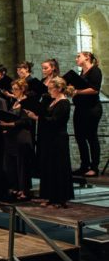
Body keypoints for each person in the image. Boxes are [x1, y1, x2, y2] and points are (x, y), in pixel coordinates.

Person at [26, 77, 74, 208]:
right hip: (49, 138)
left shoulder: (64, 103)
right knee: (48, 168)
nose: (49, 91)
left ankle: (58, 199)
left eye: (51, 89)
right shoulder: (53, 101)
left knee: (57, 168)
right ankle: (49, 196)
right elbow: (46, 116)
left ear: (58, 89)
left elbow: (55, 121)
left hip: (58, 139)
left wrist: (36, 118)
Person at [0, 79, 34, 200]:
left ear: (23, 89)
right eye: (12, 89)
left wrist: (8, 125)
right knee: (11, 164)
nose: (13, 91)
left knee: (22, 165)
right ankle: (16, 187)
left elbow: (26, 121)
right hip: (11, 136)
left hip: (22, 136)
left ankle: (24, 190)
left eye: (16, 89)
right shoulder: (14, 101)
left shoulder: (27, 102)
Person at [71, 52, 103, 177]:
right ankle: (84, 165)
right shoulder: (82, 72)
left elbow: (94, 89)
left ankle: (94, 168)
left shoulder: (95, 71)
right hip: (80, 108)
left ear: (87, 58)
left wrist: (77, 91)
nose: (76, 59)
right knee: (80, 137)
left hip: (92, 109)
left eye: (78, 56)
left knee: (91, 137)